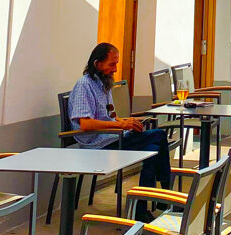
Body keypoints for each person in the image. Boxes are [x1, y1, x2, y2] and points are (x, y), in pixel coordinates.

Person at [69, 41, 172, 221]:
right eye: (112, 64)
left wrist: (125, 122)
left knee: (154, 145)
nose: (115, 69)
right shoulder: (84, 85)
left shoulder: (104, 85)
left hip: (113, 137)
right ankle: (159, 197)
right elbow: (85, 124)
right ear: (97, 64)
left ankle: (153, 201)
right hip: (98, 145)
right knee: (156, 141)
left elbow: (109, 117)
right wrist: (120, 126)